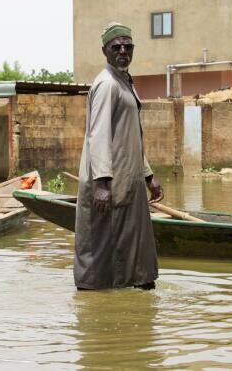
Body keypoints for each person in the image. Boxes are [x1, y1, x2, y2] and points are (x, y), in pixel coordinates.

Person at [74, 22, 164, 291]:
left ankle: (138, 297)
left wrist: (149, 176)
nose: (123, 51)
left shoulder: (126, 83)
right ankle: (94, 304)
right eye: (117, 47)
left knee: (136, 245)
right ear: (105, 51)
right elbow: (98, 135)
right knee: (101, 248)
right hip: (109, 183)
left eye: (128, 46)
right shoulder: (106, 85)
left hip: (130, 181)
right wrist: (102, 183)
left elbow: (132, 136)